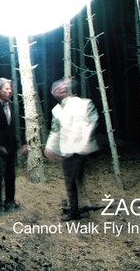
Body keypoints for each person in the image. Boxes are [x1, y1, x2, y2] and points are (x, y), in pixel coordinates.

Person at [44, 78, 100, 221]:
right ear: (53, 93)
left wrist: (84, 140)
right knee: (71, 180)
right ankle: (76, 209)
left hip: (82, 149)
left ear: (67, 90)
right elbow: (55, 130)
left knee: (75, 179)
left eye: (62, 87)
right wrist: (49, 147)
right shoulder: (56, 110)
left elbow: (92, 121)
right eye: (56, 89)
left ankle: (78, 209)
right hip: (66, 150)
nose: (60, 89)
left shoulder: (83, 103)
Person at [0, 77, 25, 215]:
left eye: (10, 88)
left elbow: (16, 128)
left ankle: (10, 202)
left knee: (11, 176)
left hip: (11, 148)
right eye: (7, 89)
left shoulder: (12, 106)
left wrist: (21, 144)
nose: (10, 91)